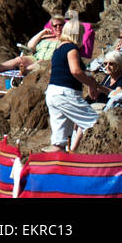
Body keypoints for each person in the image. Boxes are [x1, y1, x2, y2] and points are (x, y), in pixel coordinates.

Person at [45, 20, 104, 151]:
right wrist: (93, 84)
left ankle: (53, 167)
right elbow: (76, 71)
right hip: (66, 94)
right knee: (96, 123)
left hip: (53, 93)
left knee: (59, 139)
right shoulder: (71, 49)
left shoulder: (58, 49)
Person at [0, 14, 66, 76]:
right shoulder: (46, 37)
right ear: (52, 27)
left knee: (40, 62)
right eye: (55, 26)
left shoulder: (65, 39)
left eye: (60, 25)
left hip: (48, 62)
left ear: (64, 26)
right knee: (20, 59)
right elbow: (30, 46)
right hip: (35, 58)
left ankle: (26, 71)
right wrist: (42, 32)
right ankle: (0, 67)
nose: (58, 27)